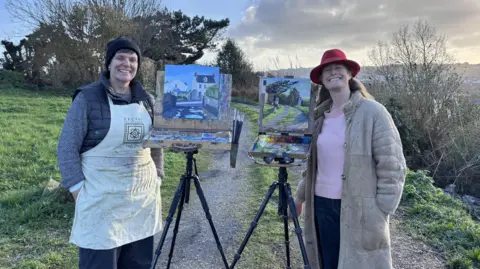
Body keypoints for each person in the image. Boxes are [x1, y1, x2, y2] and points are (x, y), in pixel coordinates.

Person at [57, 37, 164, 269]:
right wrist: (77, 191)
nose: (127, 64)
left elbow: (156, 143)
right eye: (121, 58)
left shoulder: (148, 101)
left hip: (141, 200)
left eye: (133, 59)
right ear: (108, 63)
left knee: (138, 264)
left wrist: (158, 175)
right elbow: (66, 149)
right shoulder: (87, 98)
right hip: (100, 203)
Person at [293, 49, 407, 269]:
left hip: (358, 209)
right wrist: (300, 199)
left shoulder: (374, 112)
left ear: (349, 74)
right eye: (327, 70)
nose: (333, 73)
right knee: (328, 262)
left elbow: (393, 163)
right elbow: (312, 167)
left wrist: (382, 208)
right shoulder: (317, 118)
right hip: (321, 206)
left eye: (338, 68)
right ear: (322, 80)